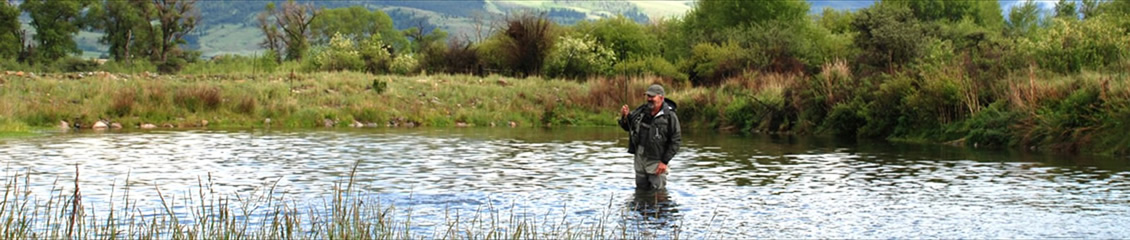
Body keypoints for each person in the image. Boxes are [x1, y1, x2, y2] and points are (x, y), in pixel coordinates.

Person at [619, 84, 681, 191]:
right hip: (640, 157)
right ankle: (640, 207)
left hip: (657, 160)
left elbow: (676, 141)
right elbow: (628, 127)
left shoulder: (670, 116)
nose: (649, 99)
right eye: (648, 96)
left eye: (652, 96)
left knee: (658, 193)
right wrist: (625, 117)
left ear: (661, 98)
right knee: (640, 190)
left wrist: (664, 162)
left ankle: (660, 207)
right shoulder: (641, 111)